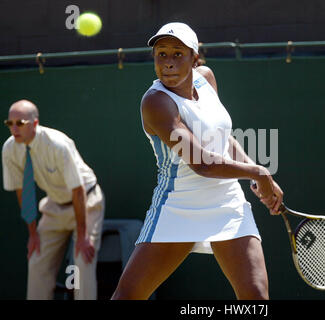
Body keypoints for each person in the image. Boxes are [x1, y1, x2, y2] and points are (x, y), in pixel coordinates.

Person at [111, 22, 283, 300]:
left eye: (178, 53)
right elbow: (201, 163)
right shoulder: (156, 102)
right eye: (161, 54)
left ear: (195, 57)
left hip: (227, 202)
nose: (168, 62)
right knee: (128, 296)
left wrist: (256, 175)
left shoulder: (206, 79)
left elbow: (222, 139)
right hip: (179, 206)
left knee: (256, 297)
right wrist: (258, 172)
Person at [2, 100, 105, 300]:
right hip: (54, 205)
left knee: (82, 263)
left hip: (86, 202)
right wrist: (33, 234)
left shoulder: (58, 144)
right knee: (36, 259)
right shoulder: (9, 149)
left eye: (20, 123)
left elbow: (78, 190)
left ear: (35, 123)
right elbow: (23, 192)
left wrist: (82, 236)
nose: (14, 129)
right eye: (10, 123)